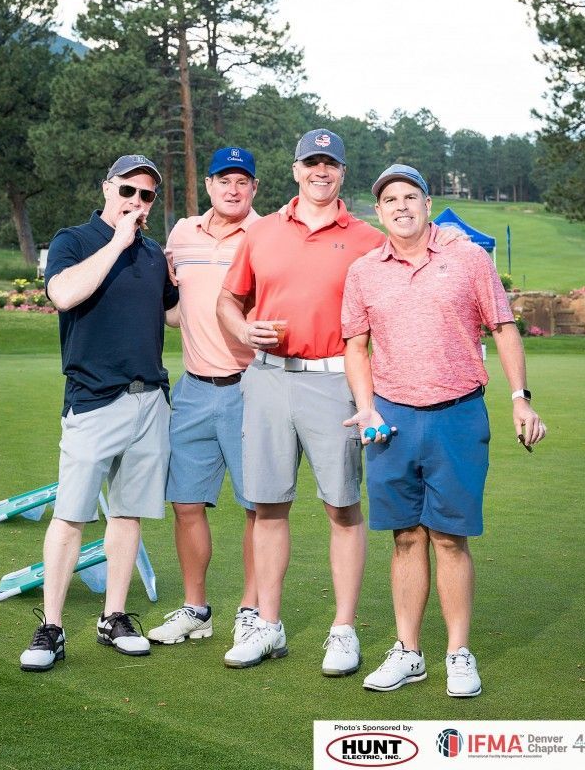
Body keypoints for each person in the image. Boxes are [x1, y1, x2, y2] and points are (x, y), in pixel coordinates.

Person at [216, 131, 461, 676]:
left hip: (335, 382)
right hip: (267, 378)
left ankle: (343, 631)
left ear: (342, 173)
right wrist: (243, 329)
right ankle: (268, 625)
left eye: (330, 164)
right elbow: (228, 300)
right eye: (311, 163)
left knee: (342, 508)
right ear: (296, 169)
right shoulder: (262, 233)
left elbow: (419, 256)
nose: (320, 172)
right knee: (267, 506)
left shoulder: (368, 238)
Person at [341, 163, 547, 697]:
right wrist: (365, 406)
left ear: (428, 204)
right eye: (390, 200)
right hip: (390, 419)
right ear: (379, 211)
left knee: (450, 539)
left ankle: (458, 653)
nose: (401, 206)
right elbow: (355, 345)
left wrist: (520, 399)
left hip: (458, 414)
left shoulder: (468, 258)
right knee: (405, 536)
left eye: (411, 196)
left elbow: (503, 328)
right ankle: (409, 653)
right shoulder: (365, 270)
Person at [19, 155, 179, 672]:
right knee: (70, 515)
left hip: (149, 399)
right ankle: (52, 627)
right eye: (128, 191)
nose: (136, 202)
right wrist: (117, 243)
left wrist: (195, 266)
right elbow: (64, 294)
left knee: (128, 513)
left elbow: (173, 314)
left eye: (147, 196)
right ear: (108, 188)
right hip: (92, 399)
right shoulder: (75, 239)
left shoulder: (153, 255)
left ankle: (113, 616)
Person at [147, 147, 260, 651]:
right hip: (193, 389)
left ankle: (253, 612)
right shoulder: (181, 235)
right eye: (223, 180)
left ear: (254, 188)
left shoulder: (269, 236)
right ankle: (197, 609)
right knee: (185, 503)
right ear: (208, 185)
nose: (232, 189)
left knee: (260, 507)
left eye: (242, 181)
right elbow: (175, 313)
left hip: (251, 388)